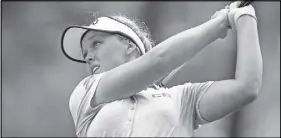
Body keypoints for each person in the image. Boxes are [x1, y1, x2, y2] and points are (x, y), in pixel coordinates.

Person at [61, 2, 263, 137]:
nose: (87, 56)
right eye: (85, 52)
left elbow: (246, 87)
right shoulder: (86, 93)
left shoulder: (181, 98)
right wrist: (216, 27)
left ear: (129, 45)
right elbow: (158, 62)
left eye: (96, 44)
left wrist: (244, 17)